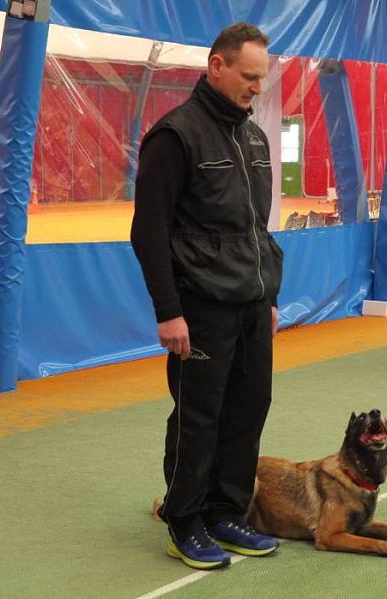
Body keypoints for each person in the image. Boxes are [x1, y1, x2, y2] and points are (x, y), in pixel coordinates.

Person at [131, 22, 283, 570]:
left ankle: (225, 511)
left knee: (248, 409)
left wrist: (266, 297)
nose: (256, 89)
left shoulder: (255, 139)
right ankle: (185, 520)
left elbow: (255, 230)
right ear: (215, 66)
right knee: (199, 416)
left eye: (261, 79)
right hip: (198, 309)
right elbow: (147, 232)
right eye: (248, 77)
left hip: (251, 303)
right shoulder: (175, 136)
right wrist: (168, 311)